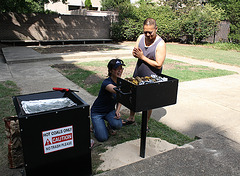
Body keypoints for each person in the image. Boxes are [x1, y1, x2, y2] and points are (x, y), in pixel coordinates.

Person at [124, 18, 166, 131]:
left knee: (148, 101)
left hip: (151, 76)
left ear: (156, 29)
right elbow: (136, 53)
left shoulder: (160, 44)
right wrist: (135, 54)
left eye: (150, 32)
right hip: (138, 72)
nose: (147, 35)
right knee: (133, 95)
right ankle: (131, 117)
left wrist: (142, 57)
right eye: (145, 32)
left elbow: (158, 64)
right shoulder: (140, 38)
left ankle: (145, 124)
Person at [91, 59, 125, 142]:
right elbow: (116, 91)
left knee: (118, 125)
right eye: (117, 69)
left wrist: (117, 110)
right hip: (97, 113)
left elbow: (120, 98)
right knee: (103, 138)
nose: (119, 71)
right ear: (110, 71)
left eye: (121, 68)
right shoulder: (106, 83)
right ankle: (95, 126)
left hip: (109, 111)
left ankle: (109, 126)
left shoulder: (121, 82)